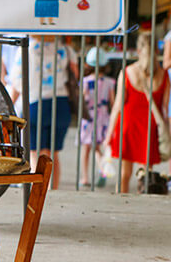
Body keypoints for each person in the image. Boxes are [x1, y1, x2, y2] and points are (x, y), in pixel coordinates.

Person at [105, 32, 169, 193]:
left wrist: (109, 134)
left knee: (124, 175)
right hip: (150, 128)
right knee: (146, 176)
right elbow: (164, 109)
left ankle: (121, 207)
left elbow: (118, 106)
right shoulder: (164, 76)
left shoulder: (127, 72)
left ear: (138, 50)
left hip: (128, 126)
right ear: (157, 50)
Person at [11, 36, 77, 190]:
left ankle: (38, 193)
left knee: (35, 154)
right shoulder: (66, 49)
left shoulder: (26, 49)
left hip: (35, 103)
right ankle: (52, 191)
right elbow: (75, 76)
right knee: (52, 154)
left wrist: (10, 106)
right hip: (60, 104)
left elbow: (17, 81)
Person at [78, 47, 116, 186]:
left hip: (89, 116)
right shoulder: (109, 82)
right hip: (103, 116)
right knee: (97, 147)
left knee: (86, 148)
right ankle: (102, 169)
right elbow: (113, 102)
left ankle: (86, 177)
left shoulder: (85, 81)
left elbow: (82, 99)